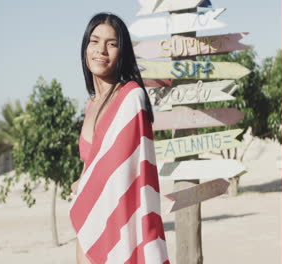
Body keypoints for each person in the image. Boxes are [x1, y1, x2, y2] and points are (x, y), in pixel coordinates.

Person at [69, 12, 170, 264]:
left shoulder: (131, 97)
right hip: (91, 227)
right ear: (85, 48)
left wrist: (85, 186)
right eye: (94, 41)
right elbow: (91, 166)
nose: (101, 50)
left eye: (112, 44)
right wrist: (81, 184)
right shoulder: (90, 105)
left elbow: (124, 174)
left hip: (120, 228)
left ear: (121, 53)